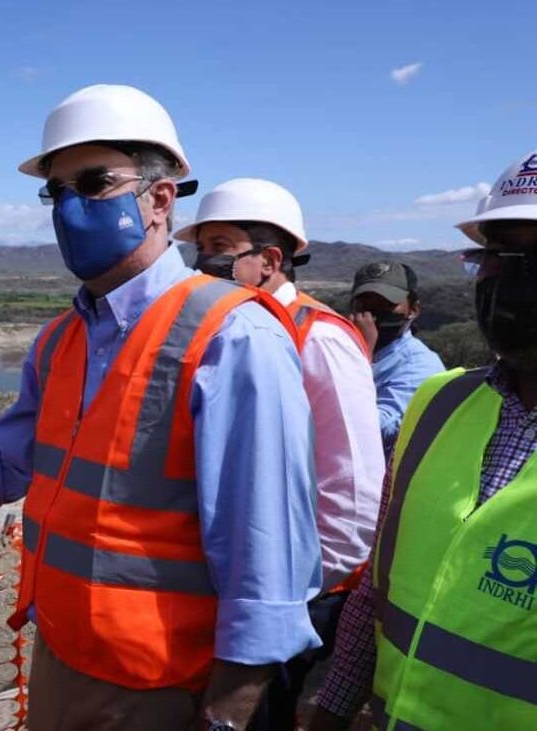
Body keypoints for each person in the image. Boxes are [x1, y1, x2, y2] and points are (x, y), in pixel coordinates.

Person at [0, 84, 322, 730]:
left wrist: (223, 719)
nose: (71, 207)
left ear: (160, 199)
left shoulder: (233, 338)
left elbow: (267, 569)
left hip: (163, 689)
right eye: (57, 190)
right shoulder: (61, 341)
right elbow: (4, 466)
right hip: (59, 662)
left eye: (95, 183)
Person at [312, 150, 537, 729]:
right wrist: (332, 709)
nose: (507, 280)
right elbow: (377, 586)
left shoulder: (416, 374)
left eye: (532, 258)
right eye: (494, 255)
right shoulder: (439, 403)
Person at [175, 178, 385, 730]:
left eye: (220, 247)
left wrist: (292, 594)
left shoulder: (320, 339)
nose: (203, 261)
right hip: (242, 596)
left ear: (270, 261)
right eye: (201, 248)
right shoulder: (226, 328)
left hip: (301, 602)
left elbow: (353, 503)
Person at [348, 261, 444, 456]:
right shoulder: (341, 346)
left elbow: (378, 428)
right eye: (364, 305)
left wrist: (361, 356)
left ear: (413, 309)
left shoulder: (419, 364)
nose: (371, 316)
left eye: (386, 305)